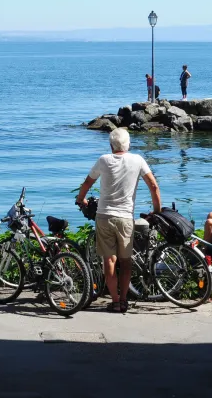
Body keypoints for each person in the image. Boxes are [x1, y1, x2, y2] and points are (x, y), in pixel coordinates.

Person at [76, 128, 161, 313]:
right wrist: (157, 211)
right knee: (126, 261)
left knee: (109, 260)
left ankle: (114, 301)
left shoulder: (103, 160)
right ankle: (124, 300)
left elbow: (87, 183)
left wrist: (81, 198)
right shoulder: (137, 160)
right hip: (125, 218)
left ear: (111, 144)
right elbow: (154, 186)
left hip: (104, 216)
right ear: (128, 143)